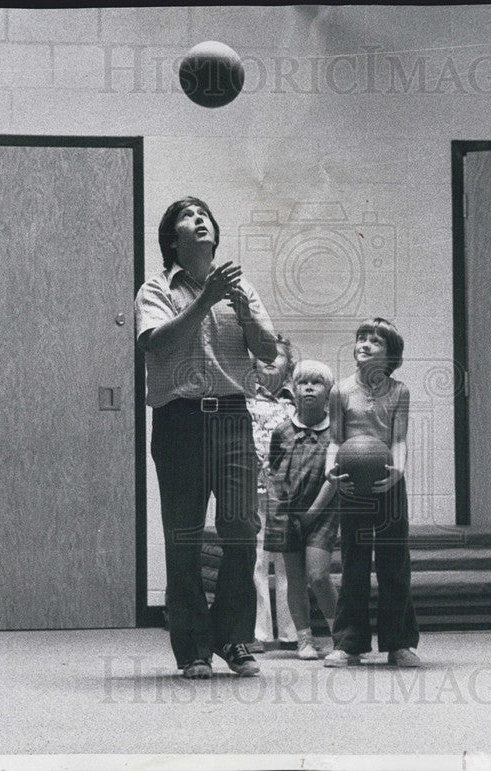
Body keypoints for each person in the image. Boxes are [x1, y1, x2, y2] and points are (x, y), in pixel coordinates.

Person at [135, 196, 278, 679]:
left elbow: (268, 351)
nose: (199, 221)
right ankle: (193, 648)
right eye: (187, 218)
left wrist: (243, 310)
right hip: (180, 420)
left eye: (204, 216)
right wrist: (205, 301)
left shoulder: (241, 287)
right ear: (172, 239)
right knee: (184, 536)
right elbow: (155, 342)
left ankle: (233, 638)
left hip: (233, 416)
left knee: (242, 530)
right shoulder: (154, 290)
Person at [312, 318, 420, 668]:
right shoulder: (339, 391)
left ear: (390, 354)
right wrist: (332, 470)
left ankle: (399, 643)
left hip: (387, 481)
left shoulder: (400, 391)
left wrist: (397, 471)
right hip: (352, 484)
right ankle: (348, 643)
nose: (366, 344)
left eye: (376, 340)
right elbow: (335, 441)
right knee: (355, 563)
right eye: (362, 338)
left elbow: (399, 439)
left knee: (394, 563)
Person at [267, 360, 341, 660]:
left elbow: (334, 477)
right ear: (293, 390)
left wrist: (311, 512)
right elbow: (274, 472)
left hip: (321, 512)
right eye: (302, 383)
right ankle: (304, 639)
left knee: (318, 576)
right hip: (288, 514)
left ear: (328, 393)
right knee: (294, 578)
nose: (309, 388)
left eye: (316, 383)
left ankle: (342, 635)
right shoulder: (282, 432)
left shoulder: (335, 432)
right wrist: (283, 512)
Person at [245, 335, 298, 653]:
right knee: (257, 562)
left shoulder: (297, 403)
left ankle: (292, 632)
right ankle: (260, 632)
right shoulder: (246, 399)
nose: (267, 359)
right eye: (261, 355)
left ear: (289, 365)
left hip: (287, 493)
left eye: (276, 355)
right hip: (253, 489)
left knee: (288, 563)